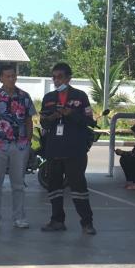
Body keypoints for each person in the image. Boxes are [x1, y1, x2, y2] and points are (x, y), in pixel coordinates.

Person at [39, 62, 97, 234]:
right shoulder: (49, 98)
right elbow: (43, 122)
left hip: (74, 149)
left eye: (60, 77)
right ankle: (57, 220)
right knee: (54, 186)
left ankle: (87, 223)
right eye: (54, 77)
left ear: (69, 78)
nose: (56, 81)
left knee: (78, 186)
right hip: (54, 148)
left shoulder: (80, 96)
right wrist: (52, 117)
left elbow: (89, 121)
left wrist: (71, 114)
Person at [0, 63, 36, 229]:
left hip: (19, 146)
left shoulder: (24, 96)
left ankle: (19, 218)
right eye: (7, 76)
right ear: (0, 78)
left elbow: (29, 120)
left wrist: (27, 142)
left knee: (18, 184)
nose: (11, 79)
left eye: (13, 76)